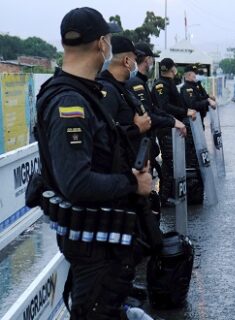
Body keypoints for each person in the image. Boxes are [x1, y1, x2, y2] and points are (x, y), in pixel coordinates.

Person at [34, 7, 152, 318]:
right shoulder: (69, 101)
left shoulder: (82, 92)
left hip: (100, 244)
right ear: (102, 44)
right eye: (109, 40)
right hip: (94, 250)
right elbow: (77, 183)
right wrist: (133, 182)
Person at [126, 42, 187, 179]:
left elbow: (154, 108)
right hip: (142, 141)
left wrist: (173, 120)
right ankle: (164, 199)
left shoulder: (142, 82)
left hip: (148, 140)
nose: (153, 62)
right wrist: (172, 121)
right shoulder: (136, 83)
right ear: (147, 59)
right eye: (152, 59)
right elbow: (148, 114)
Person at [153, 58, 198, 203]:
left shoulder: (169, 83)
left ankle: (170, 195)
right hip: (167, 129)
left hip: (173, 128)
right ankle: (165, 198)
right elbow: (164, 107)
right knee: (170, 163)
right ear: (173, 69)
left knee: (173, 163)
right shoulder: (161, 85)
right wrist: (185, 112)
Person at [97, 35, 151, 150]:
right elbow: (103, 136)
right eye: (135, 60)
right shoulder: (107, 90)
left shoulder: (122, 88)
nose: (135, 65)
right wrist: (136, 128)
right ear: (126, 61)